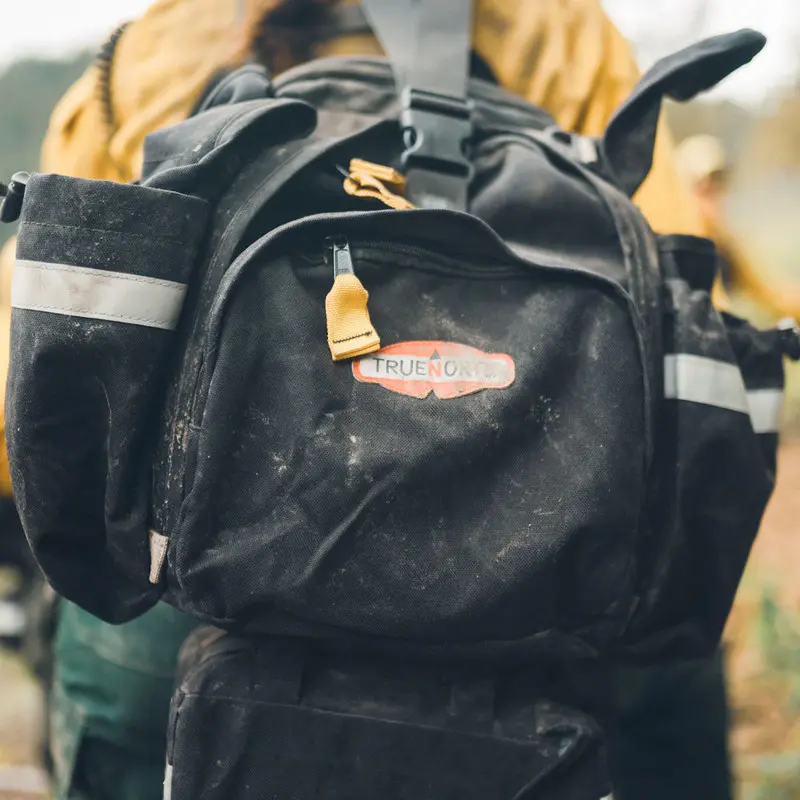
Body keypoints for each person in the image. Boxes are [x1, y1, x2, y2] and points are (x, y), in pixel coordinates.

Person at [0, 1, 731, 798]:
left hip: (187, 592)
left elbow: (48, 331)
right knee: (667, 684)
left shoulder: (162, 43)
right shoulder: (562, 30)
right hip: (545, 588)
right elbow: (676, 307)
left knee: (124, 691)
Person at [676, 133, 800, 321]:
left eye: (717, 188)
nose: (713, 200)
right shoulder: (672, 249)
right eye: (704, 189)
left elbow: (771, 295)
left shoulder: (726, 245)